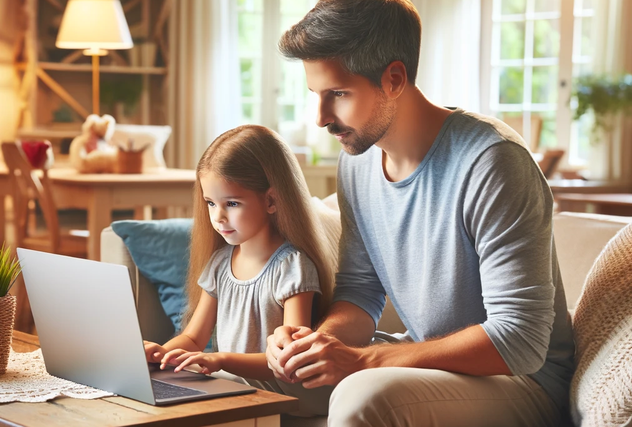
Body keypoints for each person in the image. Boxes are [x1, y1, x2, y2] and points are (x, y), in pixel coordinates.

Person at [266, 0, 575, 426]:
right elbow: (360, 291)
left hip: (523, 381)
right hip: (431, 363)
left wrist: (365, 361)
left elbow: (519, 340)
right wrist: (317, 344)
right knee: (251, 378)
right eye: (316, 95)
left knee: (364, 393)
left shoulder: (492, 162)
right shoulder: (357, 161)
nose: (320, 118)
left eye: (338, 94)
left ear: (394, 78)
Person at [143, 125, 338, 408]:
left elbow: (288, 359)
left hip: (280, 392)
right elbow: (193, 338)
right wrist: (160, 354)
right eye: (210, 203)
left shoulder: (292, 267)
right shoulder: (220, 263)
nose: (218, 217)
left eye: (231, 203)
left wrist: (220, 360)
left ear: (271, 200)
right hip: (234, 383)